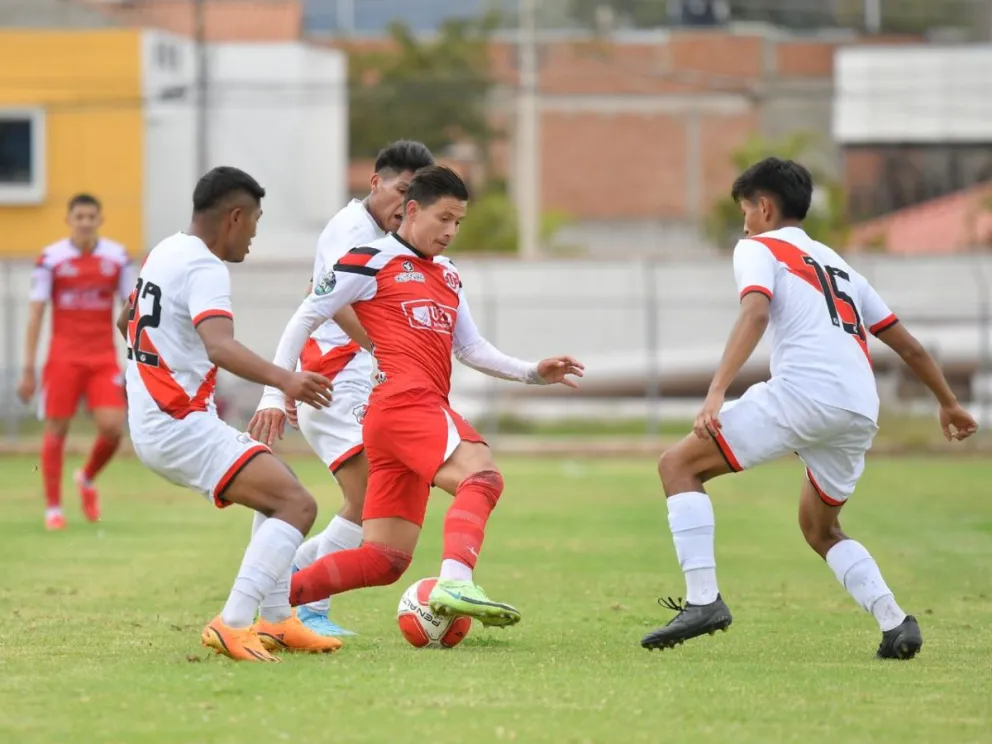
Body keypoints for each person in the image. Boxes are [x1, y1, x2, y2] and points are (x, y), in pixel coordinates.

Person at [641, 157, 978, 660]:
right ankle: (895, 622)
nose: (744, 222)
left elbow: (754, 311)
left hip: (804, 395)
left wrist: (715, 393)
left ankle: (703, 600)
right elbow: (908, 347)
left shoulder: (758, 247)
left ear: (764, 206)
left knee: (677, 466)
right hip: (860, 408)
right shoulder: (841, 265)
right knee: (820, 528)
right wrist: (948, 403)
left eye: (745, 211)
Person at [249, 165, 584, 627]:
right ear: (411, 209)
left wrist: (532, 373)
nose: (451, 231)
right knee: (482, 477)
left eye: (459, 223)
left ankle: (254, 603)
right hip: (405, 404)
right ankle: (455, 580)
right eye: (443, 218)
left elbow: (469, 347)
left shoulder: (447, 274)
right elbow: (305, 317)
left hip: (396, 419)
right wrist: (273, 392)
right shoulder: (369, 258)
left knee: (384, 559)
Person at [121, 166, 342, 662]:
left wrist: (153, 374)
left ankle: (279, 619)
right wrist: (287, 380)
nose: (255, 236)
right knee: (297, 505)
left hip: (160, 419)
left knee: (278, 491)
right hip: (178, 423)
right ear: (235, 217)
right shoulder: (204, 266)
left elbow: (125, 319)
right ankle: (234, 622)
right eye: (256, 223)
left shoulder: (165, 250)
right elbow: (219, 347)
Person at [253, 140, 434, 638]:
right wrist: (386, 348)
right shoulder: (352, 229)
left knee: (374, 500)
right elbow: (329, 302)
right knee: (372, 498)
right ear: (374, 182)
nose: (406, 203)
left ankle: (288, 583)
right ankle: (305, 605)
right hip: (333, 380)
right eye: (401, 189)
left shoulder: (384, 234)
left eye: (415, 194)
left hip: (352, 379)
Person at [18, 194, 134, 530]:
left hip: (102, 357)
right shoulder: (51, 259)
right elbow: (36, 312)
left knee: (113, 428)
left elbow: (131, 307)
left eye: (90, 216)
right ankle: (53, 508)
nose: (85, 222)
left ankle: (85, 477)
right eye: (79, 216)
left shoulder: (117, 258)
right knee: (57, 428)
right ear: (69, 220)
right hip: (63, 357)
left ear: (100, 219)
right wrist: (28, 368)